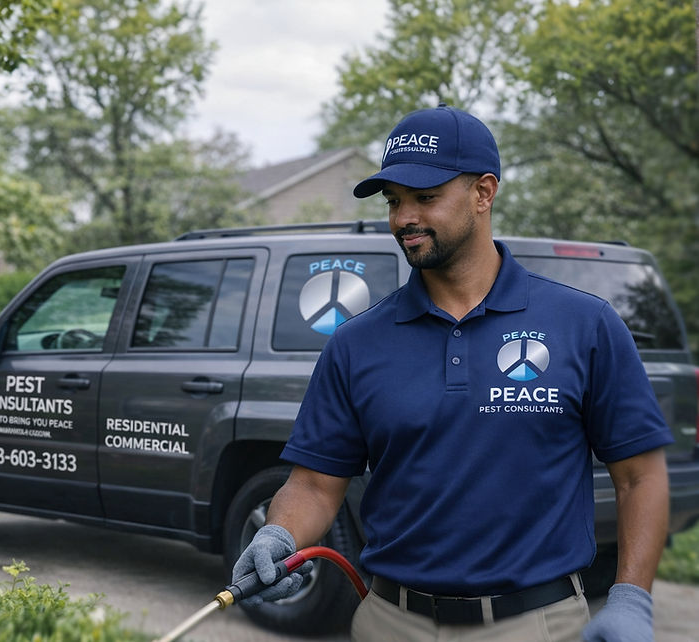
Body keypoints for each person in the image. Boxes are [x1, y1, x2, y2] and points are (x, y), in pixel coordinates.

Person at [232, 104, 673, 641]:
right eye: (394, 201)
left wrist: (631, 598)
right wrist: (279, 533)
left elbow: (640, 475)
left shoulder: (586, 325)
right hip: (390, 621)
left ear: (484, 193)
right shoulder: (356, 343)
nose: (402, 218)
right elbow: (316, 486)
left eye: (425, 197)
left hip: (536, 624)